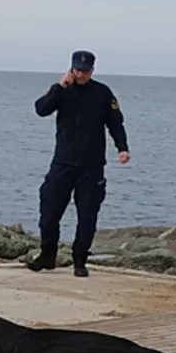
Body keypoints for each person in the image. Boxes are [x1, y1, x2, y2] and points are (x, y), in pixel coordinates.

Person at [26, 50, 129, 277]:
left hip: (91, 166)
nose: (80, 74)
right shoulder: (61, 90)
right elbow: (41, 110)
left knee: (87, 216)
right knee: (49, 212)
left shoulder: (102, 93)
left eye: (84, 71)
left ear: (92, 71)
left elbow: (115, 123)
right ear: (71, 69)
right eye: (77, 70)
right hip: (63, 162)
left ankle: (80, 260)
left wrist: (122, 148)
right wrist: (59, 87)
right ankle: (47, 255)